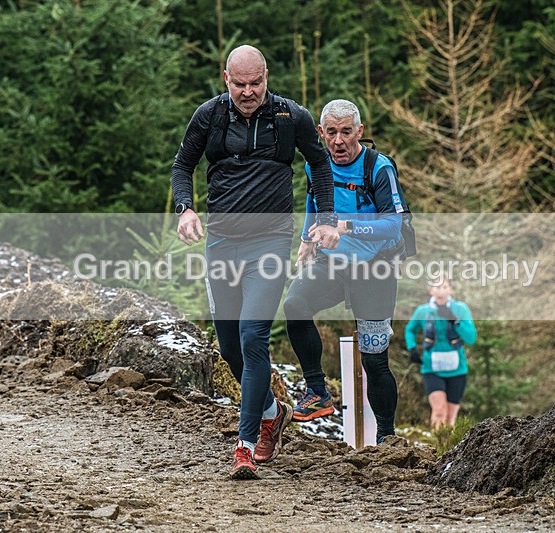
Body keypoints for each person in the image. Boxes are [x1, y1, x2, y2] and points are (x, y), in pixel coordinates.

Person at [171, 45, 340, 480]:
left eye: (256, 83)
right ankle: (271, 411)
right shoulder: (208, 116)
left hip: (270, 241)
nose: (249, 92)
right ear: (225, 78)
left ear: (267, 76)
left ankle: (245, 445)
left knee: (253, 337)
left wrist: (324, 219)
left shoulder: (291, 117)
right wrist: (185, 208)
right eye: (240, 84)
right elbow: (182, 165)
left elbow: (319, 164)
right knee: (230, 348)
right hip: (222, 243)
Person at [283, 98, 409, 443]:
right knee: (294, 305)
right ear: (321, 133)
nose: (339, 142)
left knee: (374, 361)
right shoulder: (316, 164)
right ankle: (317, 392)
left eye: (347, 132)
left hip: (374, 270)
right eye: (332, 133)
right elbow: (313, 200)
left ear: (360, 132)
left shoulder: (378, 168)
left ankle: (387, 438)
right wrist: (308, 240)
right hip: (332, 264)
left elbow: (393, 227)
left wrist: (345, 227)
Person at [404, 276, 476, 428]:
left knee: (450, 418)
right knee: (439, 411)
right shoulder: (423, 311)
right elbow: (410, 330)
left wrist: (454, 321)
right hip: (431, 368)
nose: (441, 291)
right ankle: (436, 449)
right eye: (437, 287)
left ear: (451, 290)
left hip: (457, 369)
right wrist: (412, 348)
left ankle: (447, 450)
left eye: (444, 287)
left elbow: (471, 338)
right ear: (431, 290)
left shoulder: (460, 309)